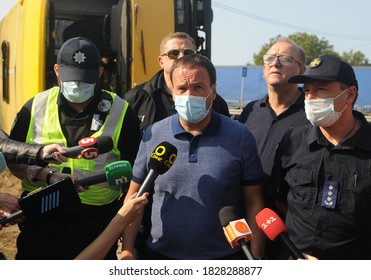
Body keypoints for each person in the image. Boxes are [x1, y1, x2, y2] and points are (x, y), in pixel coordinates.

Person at [120, 53, 265, 260]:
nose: (189, 95)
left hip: (224, 260)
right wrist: (127, 249)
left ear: (213, 92)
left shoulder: (240, 136)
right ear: (172, 92)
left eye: (198, 87)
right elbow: (134, 199)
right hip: (159, 258)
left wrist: (256, 257)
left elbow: (254, 202)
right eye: (182, 88)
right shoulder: (153, 134)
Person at [8, 37, 142, 259]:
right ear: (57, 70)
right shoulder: (34, 107)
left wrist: (127, 244)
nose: (78, 85)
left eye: (85, 79)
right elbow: (12, 158)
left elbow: (136, 174)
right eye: (72, 79)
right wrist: (46, 174)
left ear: (100, 72)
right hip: (40, 226)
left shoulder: (122, 111)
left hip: (96, 230)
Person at [269, 54, 371, 259]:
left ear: (350, 95)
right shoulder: (292, 141)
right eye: (306, 92)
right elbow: (281, 199)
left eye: (320, 90)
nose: (310, 99)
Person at [238, 38, 310, 259]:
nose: (275, 63)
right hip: (245, 225)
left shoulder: (311, 115)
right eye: (270, 58)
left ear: (302, 70)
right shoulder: (250, 111)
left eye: (285, 59)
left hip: (290, 232)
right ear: (263, 69)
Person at [123, 32, 230, 132]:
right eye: (174, 53)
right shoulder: (138, 98)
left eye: (188, 53)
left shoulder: (215, 102)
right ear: (161, 61)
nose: (181, 57)